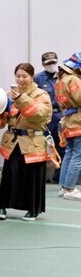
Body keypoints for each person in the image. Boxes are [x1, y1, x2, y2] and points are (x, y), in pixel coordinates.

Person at [0, 63, 52, 221]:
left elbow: (38, 115)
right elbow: (1, 123)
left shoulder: (41, 94)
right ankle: (2, 206)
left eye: (25, 76)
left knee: (32, 178)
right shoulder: (9, 95)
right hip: (13, 142)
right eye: (18, 76)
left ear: (32, 77)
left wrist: (20, 99)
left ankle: (33, 210)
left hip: (33, 142)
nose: (21, 79)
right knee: (9, 175)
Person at [34, 51, 63, 182]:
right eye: (48, 63)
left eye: (53, 62)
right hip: (45, 117)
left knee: (61, 146)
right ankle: (42, 176)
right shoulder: (38, 79)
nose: (51, 65)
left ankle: (59, 176)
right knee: (42, 146)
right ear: (43, 64)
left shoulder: (62, 76)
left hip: (60, 115)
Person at [55, 52, 81, 200]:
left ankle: (64, 188)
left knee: (70, 154)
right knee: (77, 156)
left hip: (68, 121)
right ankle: (70, 189)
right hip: (78, 121)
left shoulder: (61, 80)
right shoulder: (74, 79)